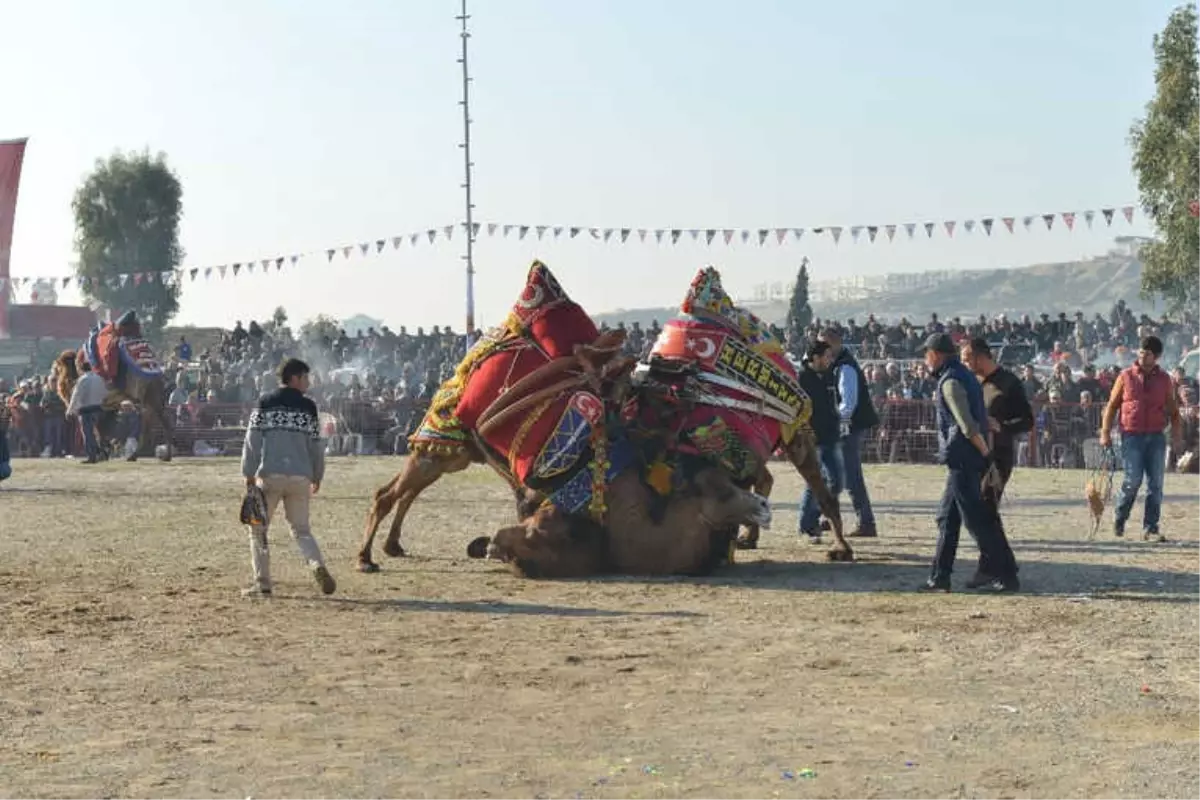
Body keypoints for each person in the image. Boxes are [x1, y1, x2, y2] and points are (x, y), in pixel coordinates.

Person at [921, 333, 1019, 593]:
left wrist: (986, 454)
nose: (925, 360)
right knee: (947, 519)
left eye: (926, 354)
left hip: (964, 459)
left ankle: (1007, 572)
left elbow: (967, 426)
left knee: (978, 522)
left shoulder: (950, 382)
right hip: (964, 460)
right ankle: (940, 577)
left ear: (936, 355)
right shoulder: (965, 376)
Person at [239, 357, 335, 597]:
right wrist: (317, 474)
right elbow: (317, 446)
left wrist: (248, 473)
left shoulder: (264, 403)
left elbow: (252, 442)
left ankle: (262, 583)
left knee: (258, 529)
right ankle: (316, 565)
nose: (309, 382)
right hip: (301, 477)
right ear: (294, 378)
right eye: (306, 377)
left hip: (270, 475)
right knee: (302, 530)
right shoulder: (310, 408)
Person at [960, 337, 1033, 578]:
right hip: (974, 453)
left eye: (967, 357)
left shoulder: (1009, 383)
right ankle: (1002, 564)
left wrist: (1001, 426)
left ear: (981, 357)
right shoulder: (971, 381)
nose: (964, 362)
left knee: (987, 508)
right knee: (981, 511)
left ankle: (992, 566)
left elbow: (1027, 420)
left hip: (998, 456)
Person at [1099, 335, 1182, 542]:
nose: (1143, 355)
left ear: (1157, 357)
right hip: (1131, 435)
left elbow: (1173, 411)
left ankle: (1151, 528)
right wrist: (1105, 432)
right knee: (1132, 480)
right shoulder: (1125, 376)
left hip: (1156, 436)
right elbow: (1111, 406)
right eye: (1141, 351)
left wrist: (1177, 436)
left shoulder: (1165, 380)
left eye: (1148, 353)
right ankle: (1120, 517)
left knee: (1155, 485)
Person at [817, 328, 879, 538]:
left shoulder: (845, 367)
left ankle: (866, 522)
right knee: (832, 474)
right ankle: (828, 517)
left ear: (833, 343)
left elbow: (848, 403)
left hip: (848, 427)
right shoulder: (836, 364)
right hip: (845, 426)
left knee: (850, 476)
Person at [796, 341, 842, 544]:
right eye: (827, 356)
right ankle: (809, 523)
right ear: (815, 358)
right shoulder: (802, 378)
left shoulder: (829, 375)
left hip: (831, 436)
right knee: (820, 481)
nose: (830, 360)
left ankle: (816, 517)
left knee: (835, 480)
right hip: (813, 440)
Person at [66, 361, 109, 464]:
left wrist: (70, 410)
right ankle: (101, 452)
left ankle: (92, 455)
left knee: (88, 434)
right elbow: (105, 393)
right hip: (98, 408)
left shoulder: (82, 380)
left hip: (86, 409)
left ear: (81, 369)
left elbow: (76, 395)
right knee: (96, 433)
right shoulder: (99, 378)